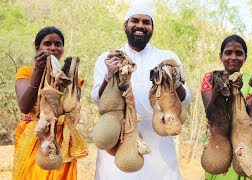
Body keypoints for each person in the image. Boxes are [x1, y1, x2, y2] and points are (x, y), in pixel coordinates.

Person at [91, 5, 191, 180]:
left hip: (159, 144)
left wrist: (175, 81)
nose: (140, 26)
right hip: (118, 141)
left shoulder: (166, 57)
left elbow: (184, 100)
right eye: (135, 20)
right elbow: (98, 100)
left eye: (146, 22)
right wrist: (109, 75)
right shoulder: (109, 58)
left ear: (152, 28)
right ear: (125, 25)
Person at [13, 26, 87, 180]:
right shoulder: (26, 72)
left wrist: (67, 80)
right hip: (35, 136)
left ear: (63, 49)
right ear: (37, 48)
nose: (53, 48)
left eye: (58, 44)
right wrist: (38, 70)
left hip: (61, 139)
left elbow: (71, 110)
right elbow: (24, 106)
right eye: (47, 44)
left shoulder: (72, 78)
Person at [201, 34, 252, 180]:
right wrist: (220, 88)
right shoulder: (212, 78)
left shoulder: (251, 81)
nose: (233, 57)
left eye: (239, 53)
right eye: (228, 52)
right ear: (221, 56)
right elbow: (209, 113)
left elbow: (249, 117)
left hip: (245, 144)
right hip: (218, 146)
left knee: (249, 169)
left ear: (245, 57)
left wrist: (239, 92)